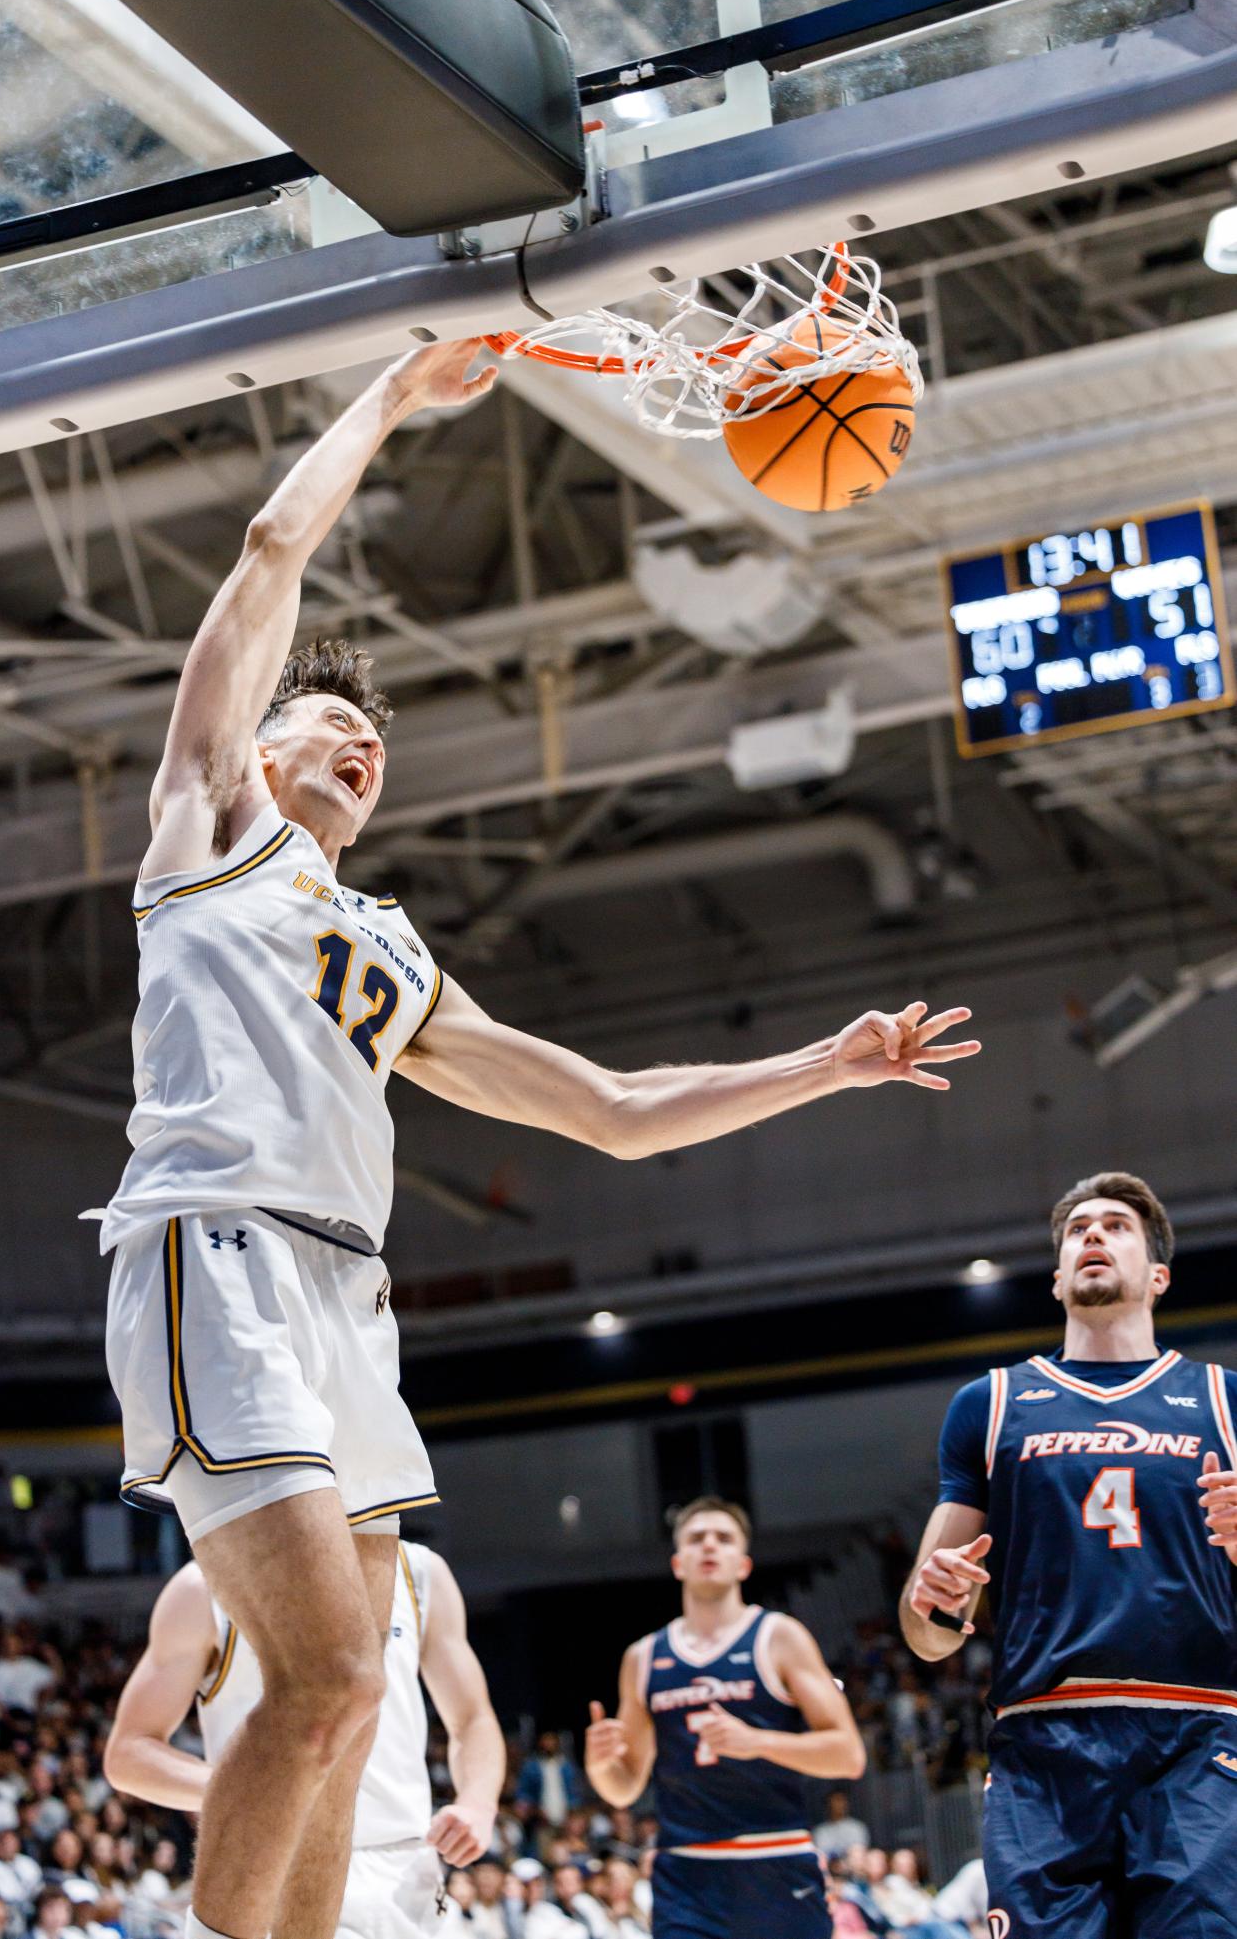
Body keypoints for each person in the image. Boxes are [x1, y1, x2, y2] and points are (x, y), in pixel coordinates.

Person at [97, 332, 980, 1939]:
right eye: (327, 727)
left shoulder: (387, 948)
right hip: (212, 1254)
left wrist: (825, 1066)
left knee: (358, 1710)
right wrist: (387, 400)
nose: (359, 747)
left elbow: (615, 1112)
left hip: (346, 1302)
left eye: (377, 751)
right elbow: (272, 548)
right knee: (321, 1677)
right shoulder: (206, 822)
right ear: (260, 743)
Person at [901, 1171, 1237, 1938]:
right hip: (1043, 1740)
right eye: (1078, 1228)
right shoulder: (989, 1404)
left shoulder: (1226, 1400)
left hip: (1197, 1731)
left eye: (1117, 1225)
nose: (1093, 1234)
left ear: (1158, 1275)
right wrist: (936, 1600)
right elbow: (927, 1634)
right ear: (1056, 1279)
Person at [105, 1541, 502, 1937]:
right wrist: (250, 1794)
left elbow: (473, 1719)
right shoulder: (205, 1585)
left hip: (405, 1870)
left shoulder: (419, 1571)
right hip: (274, 1867)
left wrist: (478, 1804)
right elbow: (129, 1752)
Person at [585, 1498, 866, 1938]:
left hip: (777, 1862)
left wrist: (757, 1742)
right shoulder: (642, 1658)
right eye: (697, 1539)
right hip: (687, 1875)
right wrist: (600, 1765)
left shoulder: (780, 1638)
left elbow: (848, 1756)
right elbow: (624, 1788)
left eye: (724, 1538)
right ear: (678, 1563)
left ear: (744, 1564)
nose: (709, 1546)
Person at [813, 1791, 869, 1861]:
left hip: (853, 1868)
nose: (840, 1805)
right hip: (828, 1868)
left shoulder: (856, 1827)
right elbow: (820, 1854)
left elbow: (860, 1852)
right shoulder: (820, 1830)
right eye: (836, 1801)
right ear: (828, 1804)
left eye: (843, 1801)